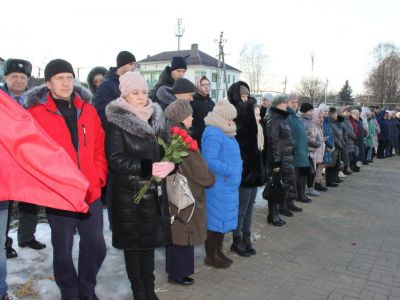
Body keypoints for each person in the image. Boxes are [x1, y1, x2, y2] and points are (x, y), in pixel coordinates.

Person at [26, 59, 108, 300]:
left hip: (90, 190)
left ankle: (87, 287)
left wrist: (99, 175)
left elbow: (99, 147)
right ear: (49, 83)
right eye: (60, 78)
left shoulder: (88, 110)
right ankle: (70, 292)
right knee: (62, 250)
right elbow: (31, 153)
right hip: (60, 194)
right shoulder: (36, 114)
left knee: (96, 245)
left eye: (69, 78)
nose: (66, 82)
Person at [105, 71, 172, 299]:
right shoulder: (117, 122)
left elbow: (167, 151)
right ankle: (139, 292)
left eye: (144, 92)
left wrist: (170, 164)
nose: (141, 97)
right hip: (129, 197)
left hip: (153, 195)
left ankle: (150, 290)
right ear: (125, 94)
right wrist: (148, 168)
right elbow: (115, 160)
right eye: (135, 93)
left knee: (149, 246)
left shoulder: (156, 118)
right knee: (134, 248)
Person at [163, 100, 214, 286]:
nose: (193, 117)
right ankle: (178, 273)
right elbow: (198, 169)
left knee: (176, 232)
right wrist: (210, 179)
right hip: (187, 193)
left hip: (175, 191)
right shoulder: (181, 138)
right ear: (182, 118)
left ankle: (175, 271)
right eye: (190, 115)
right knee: (184, 233)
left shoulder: (169, 133)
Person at [1, 58, 46, 259]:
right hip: (5, 159)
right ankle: (4, 242)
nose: (19, 81)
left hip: (28, 158)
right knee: (5, 203)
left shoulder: (33, 100)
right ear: (5, 78)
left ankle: (26, 236)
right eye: (14, 77)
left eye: (23, 77)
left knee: (30, 198)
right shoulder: (2, 99)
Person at [202, 100, 242, 268]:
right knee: (215, 221)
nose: (232, 122)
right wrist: (229, 170)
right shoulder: (213, 132)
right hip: (218, 185)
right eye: (229, 119)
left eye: (233, 119)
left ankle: (218, 252)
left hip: (227, 186)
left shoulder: (226, 132)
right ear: (221, 117)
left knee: (222, 221)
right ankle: (211, 256)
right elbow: (208, 160)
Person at [227, 81, 266, 256]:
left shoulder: (252, 119)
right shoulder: (235, 116)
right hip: (242, 171)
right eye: (243, 96)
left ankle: (246, 237)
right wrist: (248, 109)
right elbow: (242, 136)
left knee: (250, 206)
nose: (246, 99)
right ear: (235, 96)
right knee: (241, 208)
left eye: (248, 96)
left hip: (253, 170)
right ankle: (236, 239)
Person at [264, 94, 295, 226]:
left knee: (281, 185)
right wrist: (276, 162)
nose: (286, 105)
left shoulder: (282, 118)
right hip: (279, 159)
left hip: (286, 157)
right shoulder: (274, 119)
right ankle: (272, 215)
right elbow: (273, 141)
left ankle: (276, 213)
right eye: (284, 103)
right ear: (277, 105)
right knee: (275, 186)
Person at [92, 50, 136, 131]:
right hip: (115, 135)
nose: (134, 67)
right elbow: (100, 113)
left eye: (134, 64)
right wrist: (117, 131)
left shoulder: (131, 84)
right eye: (131, 64)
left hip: (131, 134)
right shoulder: (106, 86)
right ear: (122, 65)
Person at [287, 93, 310, 205]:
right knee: (294, 178)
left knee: (302, 176)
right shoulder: (288, 117)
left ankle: (301, 194)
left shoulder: (296, 117)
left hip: (302, 151)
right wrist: (295, 146)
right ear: (287, 103)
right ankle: (294, 197)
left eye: (296, 102)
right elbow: (288, 135)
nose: (295, 104)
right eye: (292, 102)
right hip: (295, 152)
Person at [299, 102, 321, 197]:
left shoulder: (311, 121)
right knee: (309, 172)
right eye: (310, 111)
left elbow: (316, 134)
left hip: (312, 150)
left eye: (312, 110)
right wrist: (316, 143)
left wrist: (318, 141)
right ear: (305, 111)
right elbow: (305, 137)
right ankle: (305, 190)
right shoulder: (302, 121)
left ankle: (308, 189)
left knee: (311, 172)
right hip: (306, 151)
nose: (312, 112)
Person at [191, 76, 215, 148]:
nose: (206, 87)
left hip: (211, 138)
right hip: (197, 139)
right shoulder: (193, 102)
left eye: (208, 84)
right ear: (198, 86)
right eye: (203, 85)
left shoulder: (211, 102)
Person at [312, 108, 327, 192]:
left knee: (319, 169)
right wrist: (321, 140)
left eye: (322, 117)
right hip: (315, 152)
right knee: (314, 170)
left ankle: (317, 183)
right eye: (319, 117)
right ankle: (314, 185)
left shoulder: (320, 127)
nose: (321, 119)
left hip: (320, 152)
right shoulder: (314, 127)